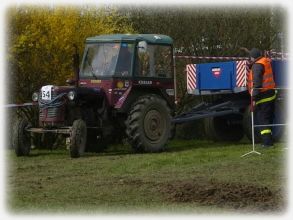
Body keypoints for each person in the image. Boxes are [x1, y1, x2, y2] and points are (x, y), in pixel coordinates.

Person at [247, 48, 276, 147]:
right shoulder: (265, 61)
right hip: (270, 93)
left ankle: (267, 143)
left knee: (262, 119)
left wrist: (254, 99)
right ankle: (269, 141)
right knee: (268, 118)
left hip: (263, 96)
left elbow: (257, 83)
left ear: (252, 57)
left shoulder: (257, 65)